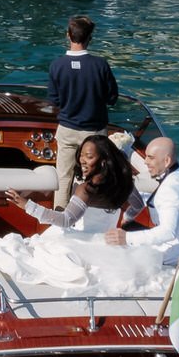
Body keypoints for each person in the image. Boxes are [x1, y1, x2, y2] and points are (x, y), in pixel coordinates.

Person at [104, 135, 179, 269]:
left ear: (167, 161)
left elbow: (167, 232)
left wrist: (126, 238)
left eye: (150, 157)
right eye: (146, 156)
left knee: (112, 255)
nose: (145, 162)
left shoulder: (170, 189)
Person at [47, 14, 118, 210]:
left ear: (68, 36)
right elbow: (112, 97)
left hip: (67, 129)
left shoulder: (56, 65)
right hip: (94, 132)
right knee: (97, 174)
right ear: (90, 38)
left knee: (63, 176)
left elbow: (55, 101)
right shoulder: (100, 65)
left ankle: (60, 215)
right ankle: (95, 212)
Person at [6, 134, 145, 232]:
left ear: (103, 161)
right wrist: (126, 219)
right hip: (107, 244)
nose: (82, 160)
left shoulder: (86, 189)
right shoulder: (124, 183)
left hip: (82, 244)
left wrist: (27, 205)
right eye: (81, 155)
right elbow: (138, 206)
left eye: (89, 157)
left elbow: (66, 221)